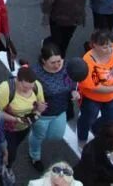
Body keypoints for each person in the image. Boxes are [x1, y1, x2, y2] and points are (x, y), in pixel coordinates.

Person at [77, 29, 113, 147]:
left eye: (109, 46)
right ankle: (82, 139)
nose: (109, 49)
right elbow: (95, 87)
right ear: (93, 45)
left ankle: (96, 128)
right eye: (104, 47)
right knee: (87, 119)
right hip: (92, 98)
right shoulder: (87, 62)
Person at [29, 42, 79, 171]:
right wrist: (35, 105)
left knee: (56, 136)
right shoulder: (35, 73)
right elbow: (25, 93)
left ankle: (34, 135)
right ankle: (35, 156)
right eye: (53, 62)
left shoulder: (66, 66)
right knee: (38, 136)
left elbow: (71, 80)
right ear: (44, 61)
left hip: (60, 110)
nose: (57, 65)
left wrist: (73, 90)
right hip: (42, 115)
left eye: (59, 61)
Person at [0, 65, 46, 169]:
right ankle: (3, 170)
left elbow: (40, 104)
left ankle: (3, 164)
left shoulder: (36, 85)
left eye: (31, 87)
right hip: (5, 128)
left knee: (13, 147)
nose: (28, 90)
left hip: (24, 127)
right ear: (17, 79)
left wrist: (40, 109)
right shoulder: (5, 89)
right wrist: (15, 119)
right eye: (25, 87)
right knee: (10, 154)